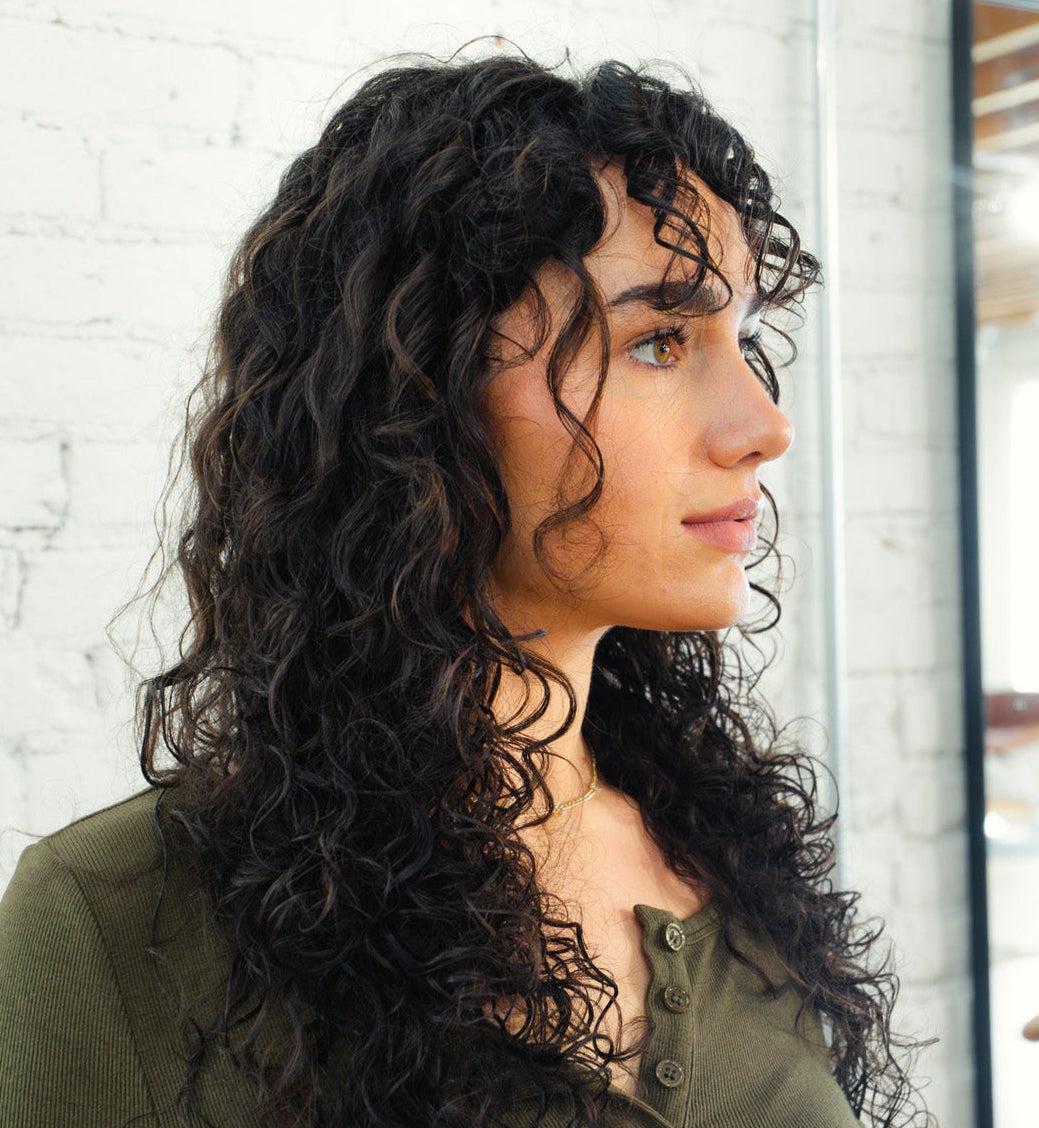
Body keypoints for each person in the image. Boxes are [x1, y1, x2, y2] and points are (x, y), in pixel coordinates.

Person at [0, 52, 932, 1128]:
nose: (764, 427)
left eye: (745, 342)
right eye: (659, 340)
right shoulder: (117, 924)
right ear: (422, 391)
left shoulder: (735, 869)